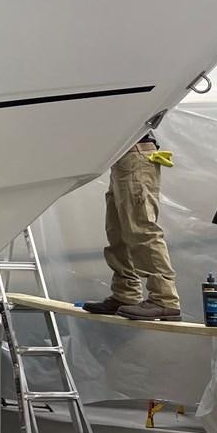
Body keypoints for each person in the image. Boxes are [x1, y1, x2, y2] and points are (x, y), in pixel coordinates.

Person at [83, 131, 181, 321]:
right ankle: (125, 295)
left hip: (135, 155)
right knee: (117, 232)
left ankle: (165, 299)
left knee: (141, 229)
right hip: (122, 158)